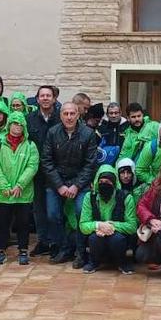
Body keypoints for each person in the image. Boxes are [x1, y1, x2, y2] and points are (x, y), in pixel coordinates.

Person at [41, 102, 99, 266]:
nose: (69, 117)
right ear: (60, 116)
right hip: (56, 182)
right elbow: (46, 161)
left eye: (72, 113)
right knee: (53, 215)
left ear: (78, 115)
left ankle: (81, 252)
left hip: (80, 183)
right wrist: (59, 185)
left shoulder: (88, 134)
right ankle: (63, 249)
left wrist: (76, 185)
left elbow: (90, 164)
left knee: (82, 212)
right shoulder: (52, 133)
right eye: (65, 114)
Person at [0, 112, 38, 265]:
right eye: (15, 124)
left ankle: (23, 250)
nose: (18, 127)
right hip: (3, 193)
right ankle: (1, 250)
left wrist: (20, 184)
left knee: (23, 223)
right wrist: (4, 185)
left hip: (23, 193)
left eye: (21, 125)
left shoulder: (30, 146)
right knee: (2, 223)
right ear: (9, 125)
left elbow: (32, 166)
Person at [79, 165, 138, 274]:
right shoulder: (90, 197)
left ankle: (122, 263)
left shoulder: (126, 197)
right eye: (101, 181)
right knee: (94, 238)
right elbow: (83, 225)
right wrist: (99, 225)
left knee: (117, 239)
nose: (104, 184)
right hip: (98, 234)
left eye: (108, 181)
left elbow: (132, 226)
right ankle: (94, 262)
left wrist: (112, 226)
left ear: (115, 183)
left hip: (118, 235)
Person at [26, 86, 61, 256]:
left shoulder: (61, 118)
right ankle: (43, 241)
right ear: (37, 99)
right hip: (36, 171)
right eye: (42, 96)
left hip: (57, 171)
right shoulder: (29, 119)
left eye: (49, 95)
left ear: (54, 99)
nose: (45, 98)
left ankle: (56, 242)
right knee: (38, 208)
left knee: (54, 210)